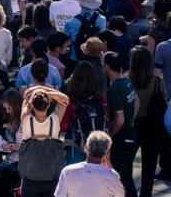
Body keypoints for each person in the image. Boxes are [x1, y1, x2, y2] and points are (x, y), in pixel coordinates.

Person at [127, 46, 166, 197]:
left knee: (127, 164)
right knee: (149, 167)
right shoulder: (156, 82)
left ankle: (129, 193)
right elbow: (163, 104)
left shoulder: (126, 82)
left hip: (132, 125)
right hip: (153, 127)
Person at [103, 51, 139, 197]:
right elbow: (136, 101)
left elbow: (119, 119)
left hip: (121, 138)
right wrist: (131, 120)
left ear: (106, 66)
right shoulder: (127, 82)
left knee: (121, 178)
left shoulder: (114, 89)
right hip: (131, 134)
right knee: (127, 176)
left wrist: (108, 137)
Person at [55, 130, 126, 196]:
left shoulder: (68, 171)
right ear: (108, 153)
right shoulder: (112, 175)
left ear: (85, 148)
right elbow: (122, 194)